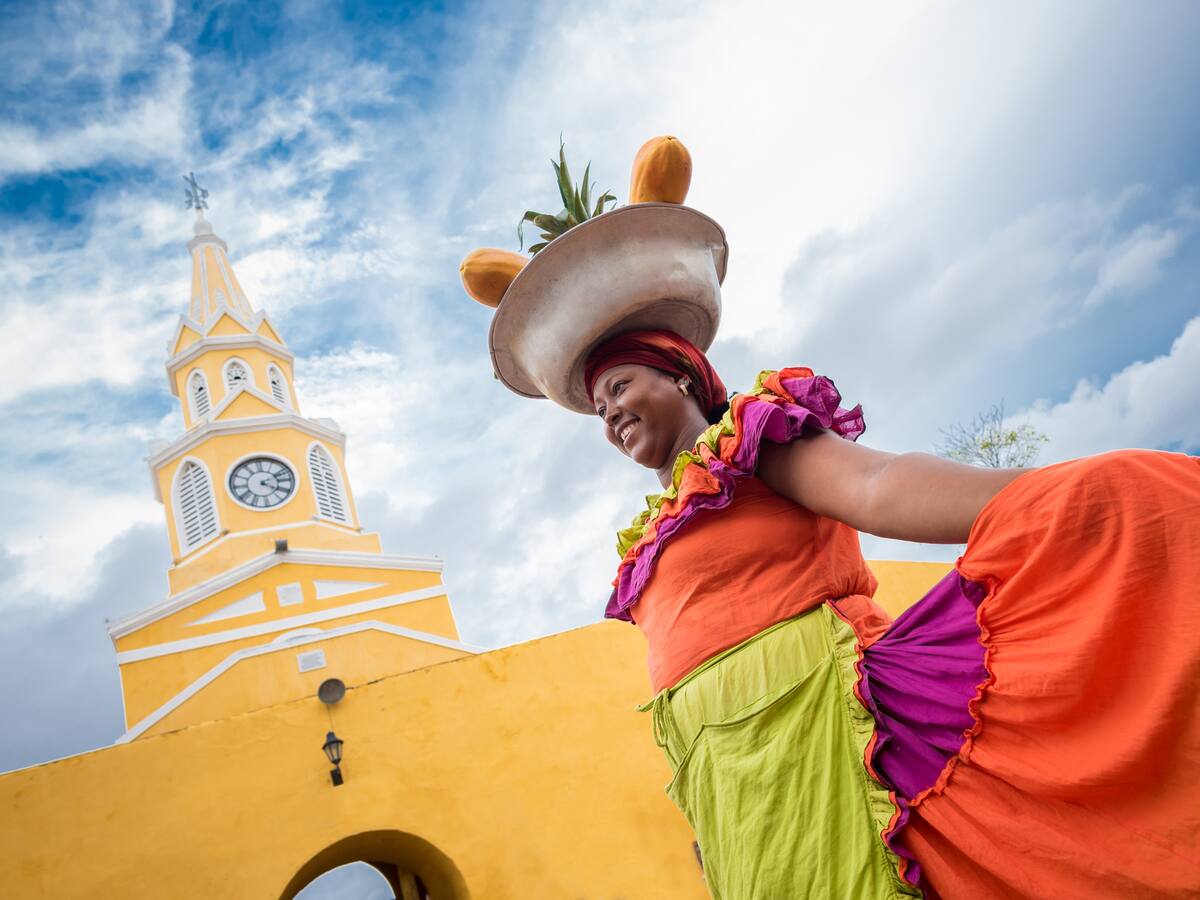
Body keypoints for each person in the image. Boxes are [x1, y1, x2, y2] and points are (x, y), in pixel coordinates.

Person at [476, 199, 1200, 899]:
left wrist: (1044, 496)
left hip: (830, 727)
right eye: (600, 407)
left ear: (680, 373)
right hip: (734, 787)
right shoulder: (649, 539)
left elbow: (877, 485)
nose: (611, 414)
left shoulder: (747, 444)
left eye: (620, 386)